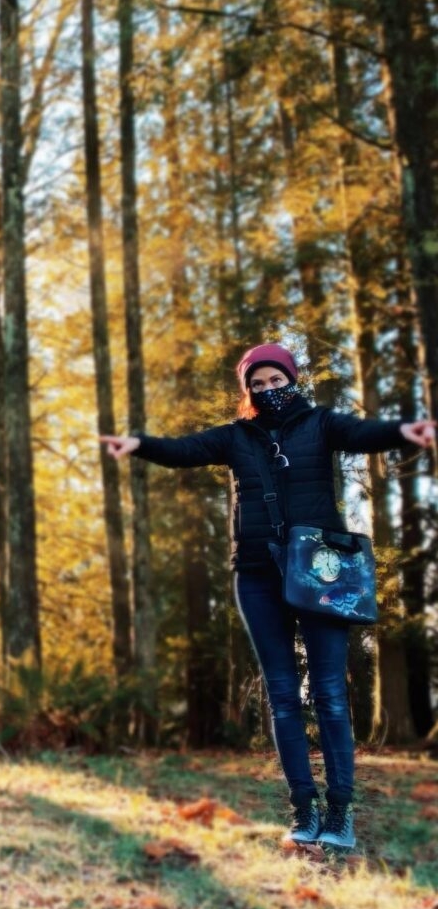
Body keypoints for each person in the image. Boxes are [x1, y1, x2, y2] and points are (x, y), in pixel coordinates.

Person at [100, 342, 435, 849]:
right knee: (283, 696)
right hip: (257, 575)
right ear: (248, 391)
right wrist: (138, 444)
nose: (268, 390)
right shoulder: (236, 438)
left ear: (291, 380)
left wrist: (401, 433)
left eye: (275, 381)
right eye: (257, 384)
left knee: (329, 694)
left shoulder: (321, 424)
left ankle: (340, 812)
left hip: (321, 570)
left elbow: (363, 433)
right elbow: (185, 449)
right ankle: (305, 809)